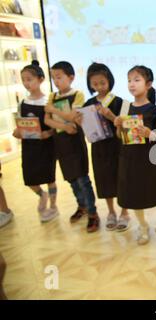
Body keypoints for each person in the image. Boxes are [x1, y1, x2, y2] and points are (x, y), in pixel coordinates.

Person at [114, 65, 156, 245]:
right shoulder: (125, 107)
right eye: (129, 80)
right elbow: (120, 136)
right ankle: (142, 226)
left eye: (136, 80)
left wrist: (150, 133)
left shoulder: (153, 109)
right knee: (133, 193)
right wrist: (118, 126)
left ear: (148, 84)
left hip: (150, 158)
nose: (131, 84)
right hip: (130, 158)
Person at [44, 61, 100, 233]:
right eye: (53, 78)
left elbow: (73, 116)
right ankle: (81, 206)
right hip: (60, 144)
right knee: (71, 180)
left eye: (59, 77)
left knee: (82, 179)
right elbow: (47, 120)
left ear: (71, 77)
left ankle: (92, 213)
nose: (56, 81)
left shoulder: (78, 95)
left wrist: (56, 111)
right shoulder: (52, 96)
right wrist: (65, 126)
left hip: (75, 143)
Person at [78, 62, 129, 231]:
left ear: (109, 81)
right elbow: (86, 127)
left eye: (102, 83)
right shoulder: (88, 104)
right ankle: (111, 211)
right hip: (99, 149)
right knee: (104, 179)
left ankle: (125, 211)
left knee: (121, 178)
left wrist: (111, 115)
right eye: (95, 83)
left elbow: (125, 128)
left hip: (116, 146)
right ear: (90, 84)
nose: (99, 87)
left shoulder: (119, 101)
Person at [12, 60, 58, 222]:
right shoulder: (22, 103)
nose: (26, 83)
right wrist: (18, 132)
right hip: (29, 146)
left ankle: (53, 207)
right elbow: (19, 125)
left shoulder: (49, 102)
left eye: (29, 79)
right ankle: (41, 194)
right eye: (23, 79)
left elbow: (56, 126)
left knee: (49, 177)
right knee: (29, 178)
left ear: (41, 79)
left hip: (46, 146)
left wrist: (49, 133)